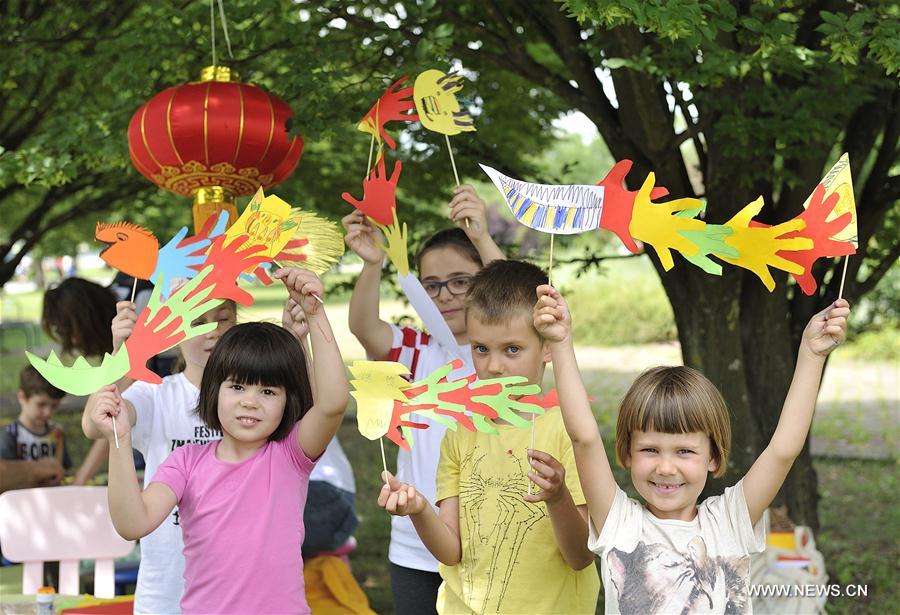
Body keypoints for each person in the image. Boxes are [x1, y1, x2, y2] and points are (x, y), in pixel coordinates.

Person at [532, 284, 851, 614]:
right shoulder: (619, 523)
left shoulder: (730, 521)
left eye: (684, 451)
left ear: (712, 457)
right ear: (626, 454)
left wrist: (811, 355)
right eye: (650, 450)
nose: (666, 467)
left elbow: (783, 449)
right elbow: (584, 439)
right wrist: (560, 342)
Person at [88, 268, 349, 614]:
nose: (250, 401)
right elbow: (132, 523)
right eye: (237, 387)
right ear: (213, 391)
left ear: (288, 400)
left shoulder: (291, 454)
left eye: (268, 391)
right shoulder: (185, 462)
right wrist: (118, 441)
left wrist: (315, 314)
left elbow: (332, 403)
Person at [377, 260, 601, 614]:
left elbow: (581, 557)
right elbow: (452, 552)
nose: (493, 366)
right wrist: (419, 510)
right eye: (481, 349)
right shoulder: (460, 433)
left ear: (546, 347)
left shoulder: (567, 431)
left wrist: (557, 497)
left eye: (512, 349)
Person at [343, 185, 504, 614]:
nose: (445, 294)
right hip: (418, 544)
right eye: (431, 285)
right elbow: (363, 327)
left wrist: (484, 238)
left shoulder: (505, 353)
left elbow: (516, 300)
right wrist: (373, 263)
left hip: (495, 534)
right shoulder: (413, 349)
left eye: (459, 281)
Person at [81, 288, 238, 614]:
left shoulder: (252, 401)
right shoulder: (156, 394)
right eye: (197, 321)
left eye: (222, 319)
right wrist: (119, 354)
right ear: (175, 331)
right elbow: (95, 424)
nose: (211, 331)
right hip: (165, 592)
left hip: (237, 588)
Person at [0, 366, 70, 479]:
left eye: (54, 406)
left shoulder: (57, 433)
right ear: (22, 397)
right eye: (41, 404)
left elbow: (64, 469)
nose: (48, 412)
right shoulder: (11, 436)